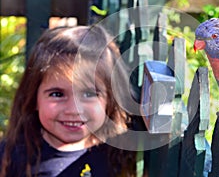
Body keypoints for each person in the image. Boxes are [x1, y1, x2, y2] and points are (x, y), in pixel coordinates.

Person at [0, 24, 137, 177]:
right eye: (57, 94)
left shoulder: (121, 152)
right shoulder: (12, 157)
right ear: (34, 99)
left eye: (89, 94)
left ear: (110, 99)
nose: (73, 109)